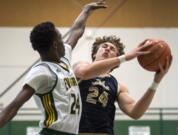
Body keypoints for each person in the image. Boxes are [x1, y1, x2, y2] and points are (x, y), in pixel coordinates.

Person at [0, 1, 107, 135]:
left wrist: (86, 10)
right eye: (61, 38)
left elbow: (76, 30)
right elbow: (13, 107)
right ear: (55, 45)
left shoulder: (64, 58)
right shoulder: (41, 72)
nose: (65, 41)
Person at [73, 36, 172, 135]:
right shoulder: (82, 65)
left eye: (112, 49)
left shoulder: (118, 86)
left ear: (116, 60)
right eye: (104, 46)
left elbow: (135, 113)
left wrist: (155, 83)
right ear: (94, 54)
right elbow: (83, 72)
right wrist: (126, 57)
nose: (107, 48)